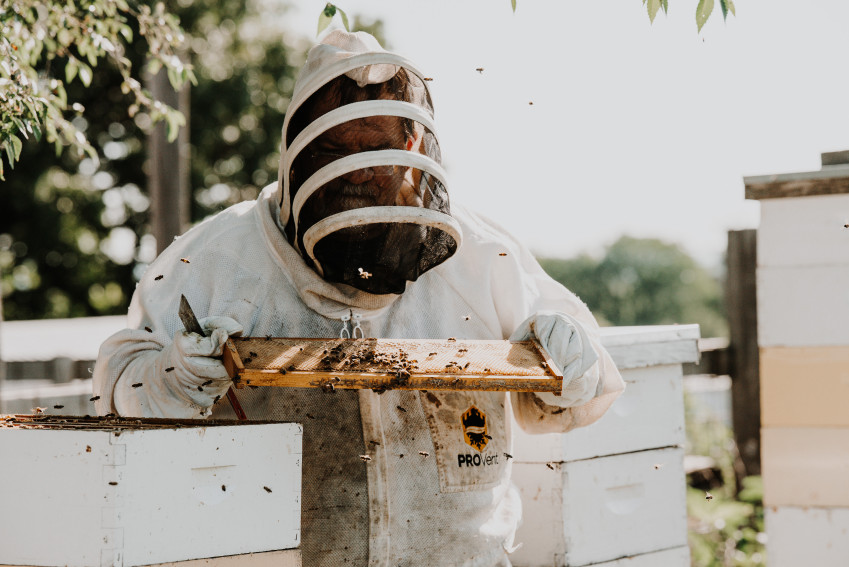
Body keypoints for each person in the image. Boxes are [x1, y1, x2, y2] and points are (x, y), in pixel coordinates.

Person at [93, 30, 625, 566]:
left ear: (413, 145)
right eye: (333, 150)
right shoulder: (219, 258)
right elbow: (119, 382)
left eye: (376, 147)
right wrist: (174, 375)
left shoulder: (480, 256)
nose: (359, 171)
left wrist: (568, 359)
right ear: (295, 149)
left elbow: (581, 383)